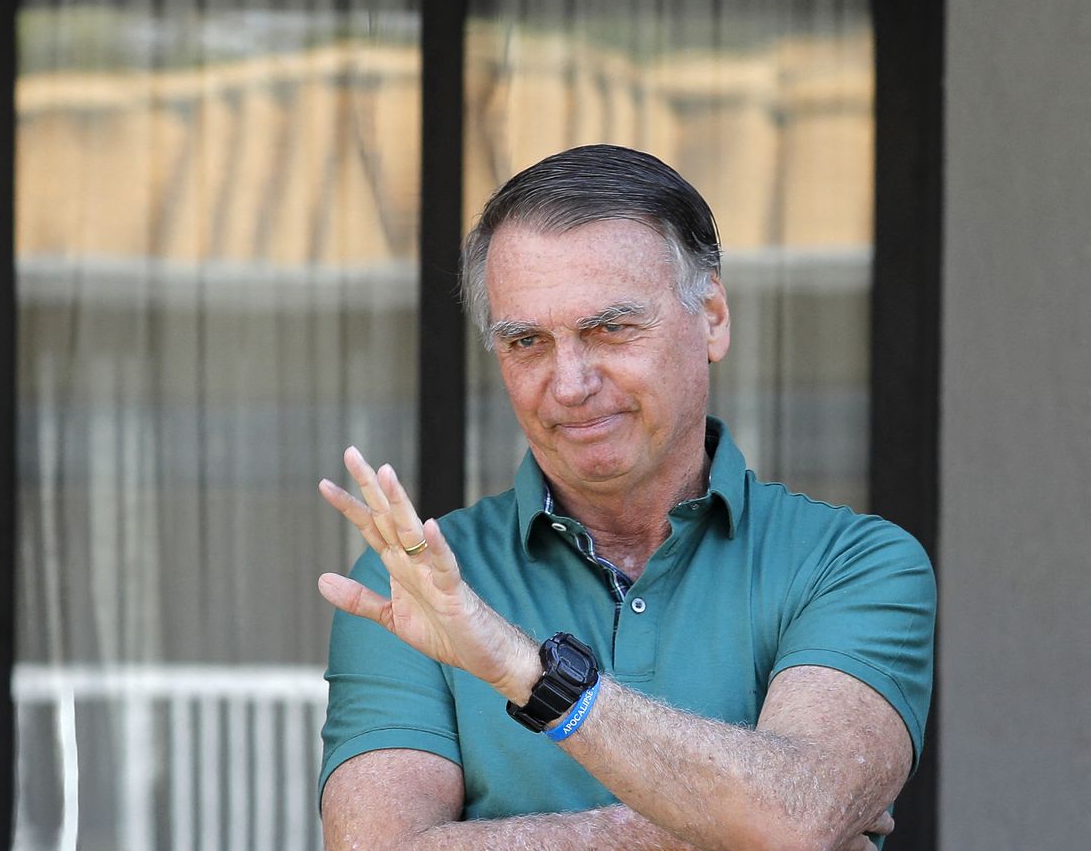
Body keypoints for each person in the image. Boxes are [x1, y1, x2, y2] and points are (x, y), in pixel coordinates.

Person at [315, 145, 935, 850]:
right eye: (526, 341)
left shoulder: (853, 564)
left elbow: (792, 816)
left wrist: (524, 671)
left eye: (609, 328)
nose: (571, 383)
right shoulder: (418, 581)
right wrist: (713, 827)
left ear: (713, 317)